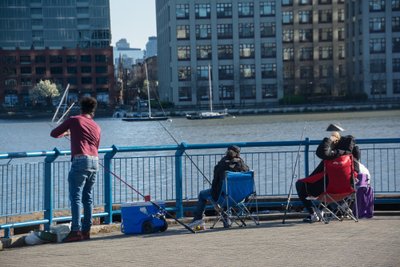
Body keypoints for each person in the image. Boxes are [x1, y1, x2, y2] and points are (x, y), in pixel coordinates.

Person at [50, 96, 101, 242]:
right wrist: (71, 133)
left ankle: (75, 231)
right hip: (94, 161)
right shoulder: (97, 126)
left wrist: (67, 133)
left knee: (76, 197)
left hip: (80, 161)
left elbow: (54, 133)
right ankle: (86, 231)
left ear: (81, 108)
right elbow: (95, 145)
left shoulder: (74, 119)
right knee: (88, 197)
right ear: (93, 111)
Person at [296, 124, 359, 223]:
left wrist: (331, 138)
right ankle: (338, 206)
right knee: (328, 182)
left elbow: (321, 152)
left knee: (300, 184)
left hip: (328, 189)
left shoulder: (331, 156)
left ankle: (313, 214)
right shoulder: (351, 155)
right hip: (348, 189)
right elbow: (356, 170)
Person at [188, 145, 249, 229]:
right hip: (240, 198)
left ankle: (198, 219)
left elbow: (215, 182)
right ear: (238, 154)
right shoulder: (243, 167)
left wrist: (214, 200)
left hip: (224, 197)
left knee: (203, 194)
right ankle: (226, 219)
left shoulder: (221, 165)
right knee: (226, 194)